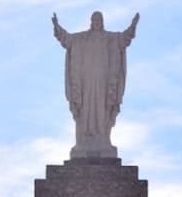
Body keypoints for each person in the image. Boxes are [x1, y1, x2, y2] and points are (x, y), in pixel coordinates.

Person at [52, 10, 139, 157]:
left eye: (99, 19)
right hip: (86, 82)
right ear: (91, 22)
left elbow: (124, 39)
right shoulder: (82, 39)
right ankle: (83, 141)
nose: (97, 22)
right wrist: (56, 26)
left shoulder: (110, 38)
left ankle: (103, 140)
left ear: (102, 22)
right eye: (95, 19)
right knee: (85, 109)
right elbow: (67, 40)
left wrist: (133, 26)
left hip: (103, 82)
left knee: (103, 109)